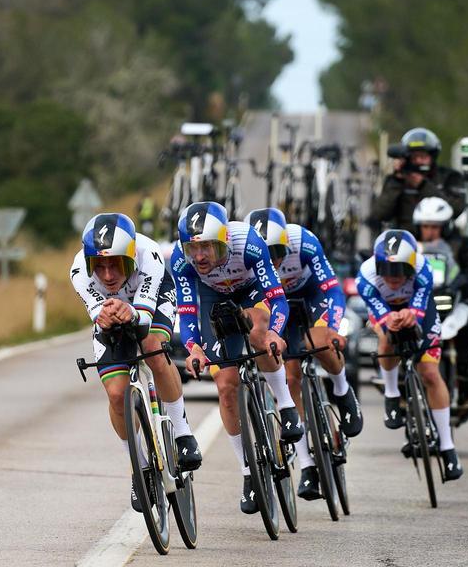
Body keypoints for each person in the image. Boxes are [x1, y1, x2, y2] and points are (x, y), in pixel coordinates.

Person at [170, 201, 305, 515]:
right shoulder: (182, 260)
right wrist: (194, 348)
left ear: (225, 241)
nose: (200, 256)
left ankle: (286, 407)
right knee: (227, 388)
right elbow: (187, 312)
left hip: (251, 293)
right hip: (211, 299)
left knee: (258, 332)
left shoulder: (248, 243)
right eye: (194, 248)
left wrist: (274, 332)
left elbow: (278, 300)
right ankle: (248, 473)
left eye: (208, 247)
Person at [71, 212, 203, 511]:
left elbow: (142, 316)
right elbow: (98, 315)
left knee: (152, 347)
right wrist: (105, 315)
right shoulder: (79, 270)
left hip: (153, 301)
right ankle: (139, 468)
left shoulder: (149, 255)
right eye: (100, 266)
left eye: (116, 264)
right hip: (113, 310)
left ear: (130, 256)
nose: (107, 275)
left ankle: (183, 435)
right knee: (117, 394)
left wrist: (129, 312)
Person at [247, 207, 363, 501]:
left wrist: (333, 327)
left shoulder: (305, 242)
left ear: (287, 244)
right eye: (266, 252)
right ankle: (307, 465)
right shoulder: (249, 257)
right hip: (278, 305)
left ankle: (342, 390)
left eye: (277, 252)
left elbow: (333, 290)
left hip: (312, 296)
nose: (272, 259)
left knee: (319, 342)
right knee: (290, 375)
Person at [356, 229, 463, 481]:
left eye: (400, 271)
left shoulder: (424, 270)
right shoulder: (366, 276)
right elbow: (379, 314)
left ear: (413, 266)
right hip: (386, 309)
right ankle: (392, 396)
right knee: (386, 338)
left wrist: (411, 314)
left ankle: (448, 448)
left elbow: (420, 306)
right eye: (387, 270)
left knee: (430, 373)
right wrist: (389, 319)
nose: (393, 278)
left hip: (419, 307)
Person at [412, 196, 468, 416]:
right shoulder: (410, 248)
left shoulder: (461, 246)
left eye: (435, 227)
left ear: (446, 227)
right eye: (426, 226)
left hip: (454, 301)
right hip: (419, 302)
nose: (430, 231)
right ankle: (395, 381)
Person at [367, 127, 467, 233]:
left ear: (432, 157)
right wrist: (397, 181)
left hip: (441, 240)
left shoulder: (448, 176)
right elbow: (379, 215)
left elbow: (456, 209)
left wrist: (422, 185)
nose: (419, 161)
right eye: (414, 157)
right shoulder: (396, 180)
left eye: (423, 157)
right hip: (404, 241)